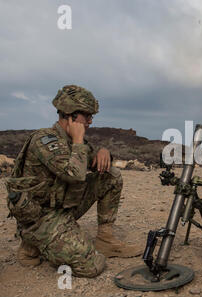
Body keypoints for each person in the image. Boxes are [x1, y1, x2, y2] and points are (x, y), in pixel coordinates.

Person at [5, 84, 143, 278]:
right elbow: (74, 174)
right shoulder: (45, 141)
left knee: (110, 175)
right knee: (92, 266)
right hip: (41, 217)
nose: (90, 121)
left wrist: (105, 152)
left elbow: (94, 159)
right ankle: (33, 242)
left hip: (63, 208)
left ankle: (105, 239)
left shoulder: (72, 140)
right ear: (70, 115)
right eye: (86, 116)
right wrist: (78, 140)